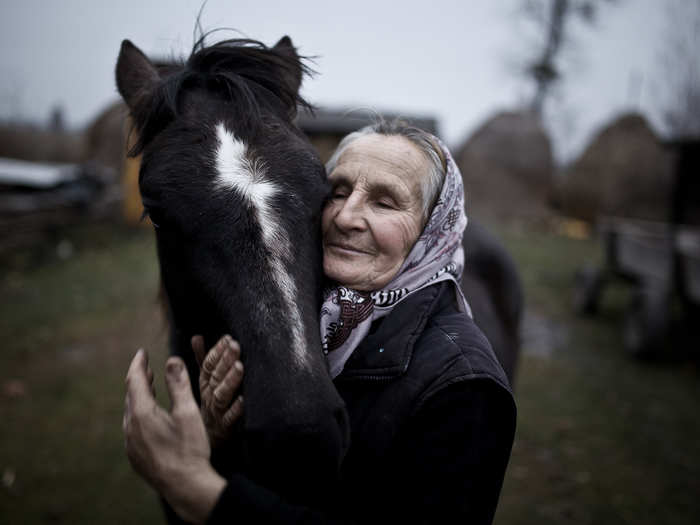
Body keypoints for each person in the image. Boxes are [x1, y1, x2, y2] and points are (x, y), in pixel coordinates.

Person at [123, 121, 516, 524]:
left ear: (434, 230)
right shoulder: (293, 322)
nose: (346, 217)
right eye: (339, 191)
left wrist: (201, 494)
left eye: (384, 202)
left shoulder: (465, 387)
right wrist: (219, 444)